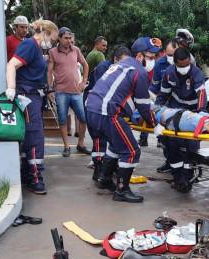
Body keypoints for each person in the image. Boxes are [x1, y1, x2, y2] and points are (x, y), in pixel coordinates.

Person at [85, 41, 156, 203]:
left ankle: (104, 179)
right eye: (150, 57)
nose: (153, 61)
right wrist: (154, 124)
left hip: (92, 108)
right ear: (139, 56)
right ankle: (122, 190)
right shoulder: (138, 71)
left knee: (117, 145)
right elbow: (143, 106)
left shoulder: (122, 65)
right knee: (131, 151)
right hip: (106, 112)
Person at [5, 19, 59, 195]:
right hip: (27, 94)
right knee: (34, 135)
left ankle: (30, 174)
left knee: (32, 135)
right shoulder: (30, 45)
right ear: (46, 32)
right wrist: (11, 88)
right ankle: (35, 177)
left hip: (33, 94)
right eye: (52, 39)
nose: (52, 43)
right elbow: (12, 64)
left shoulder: (33, 47)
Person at [156, 47, 207, 192]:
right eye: (181, 66)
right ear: (175, 63)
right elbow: (162, 96)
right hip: (175, 114)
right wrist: (157, 112)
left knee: (191, 148)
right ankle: (178, 176)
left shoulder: (196, 73)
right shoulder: (169, 74)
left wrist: (201, 113)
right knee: (171, 145)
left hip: (191, 114)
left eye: (186, 65)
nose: (184, 68)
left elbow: (201, 94)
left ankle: (188, 176)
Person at [85, 46, 132, 182]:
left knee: (108, 138)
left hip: (106, 105)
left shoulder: (119, 68)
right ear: (115, 58)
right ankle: (99, 167)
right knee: (99, 138)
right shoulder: (103, 67)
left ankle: (106, 169)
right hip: (96, 104)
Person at [47, 27, 90, 157]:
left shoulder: (76, 50)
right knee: (62, 120)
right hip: (61, 92)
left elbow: (85, 64)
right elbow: (49, 71)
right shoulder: (52, 52)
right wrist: (49, 89)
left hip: (76, 92)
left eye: (70, 38)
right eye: (66, 38)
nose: (69, 40)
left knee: (83, 119)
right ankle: (66, 146)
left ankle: (81, 144)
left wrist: (84, 82)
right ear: (59, 38)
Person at [151, 38, 179, 173]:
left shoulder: (186, 63)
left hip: (180, 106)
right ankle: (169, 162)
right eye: (168, 55)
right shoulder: (159, 64)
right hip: (164, 106)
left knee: (179, 140)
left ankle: (181, 166)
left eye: (173, 55)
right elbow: (154, 86)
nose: (170, 58)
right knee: (164, 138)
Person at [137, 37, 162, 147]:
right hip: (145, 93)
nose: (152, 57)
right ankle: (143, 138)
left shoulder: (157, 65)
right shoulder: (140, 64)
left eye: (154, 55)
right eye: (149, 55)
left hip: (155, 93)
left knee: (157, 113)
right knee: (146, 112)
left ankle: (160, 139)